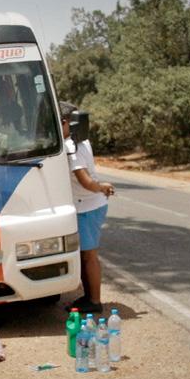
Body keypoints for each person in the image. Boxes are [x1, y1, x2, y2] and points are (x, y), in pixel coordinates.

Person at [60, 101, 114, 314]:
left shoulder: (71, 148)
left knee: (89, 255)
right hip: (86, 206)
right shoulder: (80, 142)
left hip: (88, 207)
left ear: (66, 123)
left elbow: (84, 180)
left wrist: (101, 187)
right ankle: (88, 296)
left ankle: (95, 300)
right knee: (84, 254)